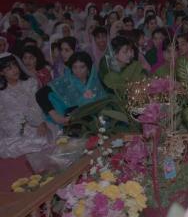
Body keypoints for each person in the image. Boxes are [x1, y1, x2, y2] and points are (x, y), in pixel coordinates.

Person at [0, 53, 53, 187]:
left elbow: (36, 105)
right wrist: (13, 127)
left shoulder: (30, 83)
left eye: (15, 66)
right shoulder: (2, 92)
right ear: (1, 73)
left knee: (42, 139)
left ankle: (49, 179)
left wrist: (40, 122)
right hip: (10, 128)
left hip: (35, 122)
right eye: (8, 68)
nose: (14, 70)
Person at [36, 51, 107, 126]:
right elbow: (40, 94)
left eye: (82, 67)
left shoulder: (96, 83)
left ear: (89, 68)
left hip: (94, 124)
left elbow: (103, 107)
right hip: (68, 124)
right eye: (74, 67)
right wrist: (55, 115)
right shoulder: (65, 81)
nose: (78, 71)